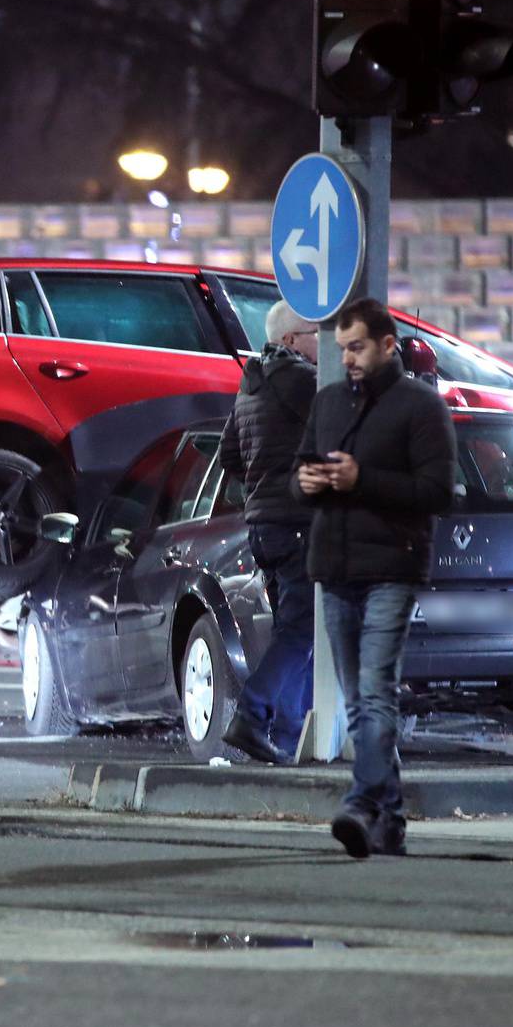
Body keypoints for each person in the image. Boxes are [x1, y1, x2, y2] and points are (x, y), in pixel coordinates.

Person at [294, 297, 456, 859]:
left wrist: (362, 479)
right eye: (341, 349)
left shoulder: (420, 406)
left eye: (357, 347)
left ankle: (362, 802)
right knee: (357, 699)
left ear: (388, 345)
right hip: (335, 568)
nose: (348, 359)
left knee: (374, 693)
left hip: (391, 564)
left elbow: (437, 491)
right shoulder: (330, 402)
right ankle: (389, 820)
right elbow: (298, 471)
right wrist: (308, 483)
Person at [218, 301, 320, 764]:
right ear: (291, 340)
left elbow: (230, 457)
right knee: (302, 630)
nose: (326, 343)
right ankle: (252, 716)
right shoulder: (302, 381)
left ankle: (286, 733)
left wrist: (263, 483)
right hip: (298, 521)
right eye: (317, 333)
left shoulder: (250, 386)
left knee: (293, 632)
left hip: (265, 525)